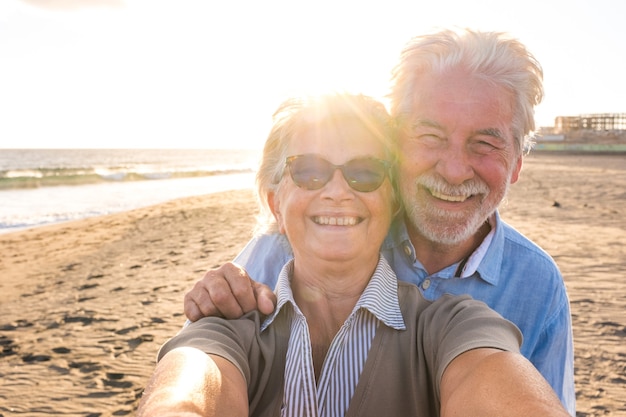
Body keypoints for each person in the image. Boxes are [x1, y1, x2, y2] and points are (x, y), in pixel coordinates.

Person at [183, 29, 575, 414]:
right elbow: (212, 358)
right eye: (431, 136)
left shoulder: (536, 282)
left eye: (485, 143)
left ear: (517, 164)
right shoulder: (305, 241)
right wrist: (215, 296)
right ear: (397, 144)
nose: (455, 171)